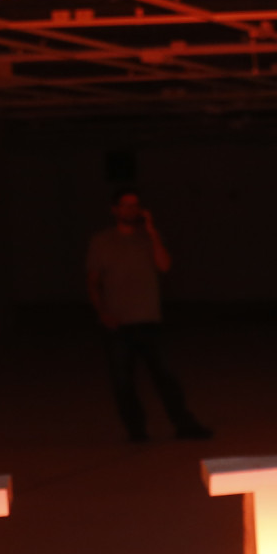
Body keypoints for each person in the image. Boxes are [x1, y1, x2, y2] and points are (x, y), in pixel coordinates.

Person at [85, 188, 212, 442]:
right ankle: (136, 430)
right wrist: (102, 313)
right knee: (123, 381)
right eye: (126, 205)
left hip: (149, 319)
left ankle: (184, 424)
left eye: (135, 205)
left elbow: (164, 265)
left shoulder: (148, 238)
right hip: (118, 323)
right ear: (115, 209)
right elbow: (93, 281)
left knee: (166, 376)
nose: (131, 210)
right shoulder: (102, 241)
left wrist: (152, 231)